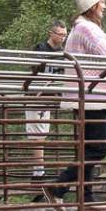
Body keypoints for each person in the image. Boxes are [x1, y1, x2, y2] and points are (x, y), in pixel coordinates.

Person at [46, 0, 106, 211]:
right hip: (92, 97)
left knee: (88, 149)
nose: (105, 6)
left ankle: (86, 197)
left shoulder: (79, 30)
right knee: (98, 149)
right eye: (102, 2)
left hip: (86, 97)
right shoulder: (88, 30)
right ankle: (58, 187)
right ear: (93, 5)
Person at [25, 21, 69, 189]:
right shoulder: (41, 48)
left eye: (65, 35)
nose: (63, 38)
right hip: (37, 94)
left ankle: (39, 172)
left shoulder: (63, 52)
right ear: (51, 33)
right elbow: (35, 70)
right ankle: (38, 173)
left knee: (42, 132)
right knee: (37, 133)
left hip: (50, 96)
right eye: (60, 34)